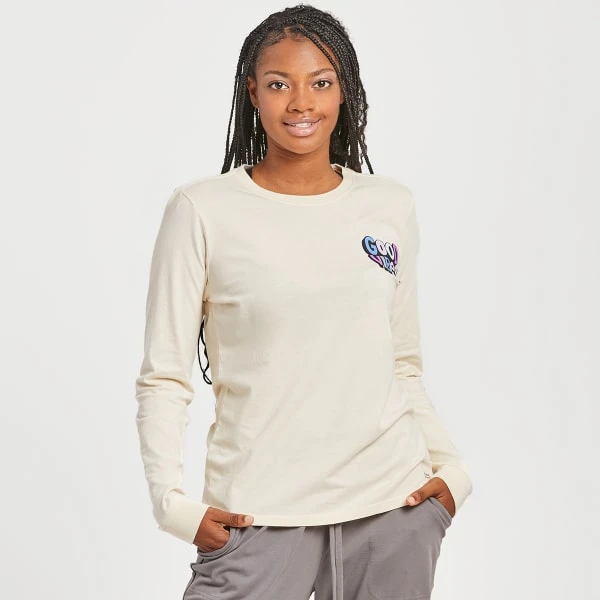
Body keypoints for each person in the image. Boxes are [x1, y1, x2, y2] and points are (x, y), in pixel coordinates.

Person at [134, 4, 473, 599]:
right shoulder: (201, 210)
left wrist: (452, 474)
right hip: (257, 515)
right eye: (278, 84)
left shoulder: (388, 206)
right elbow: (164, 377)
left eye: (320, 83)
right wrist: (173, 506)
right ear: (253, 92)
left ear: (345, 91)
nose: (300, 104)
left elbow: (402, 363)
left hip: (392, 508)